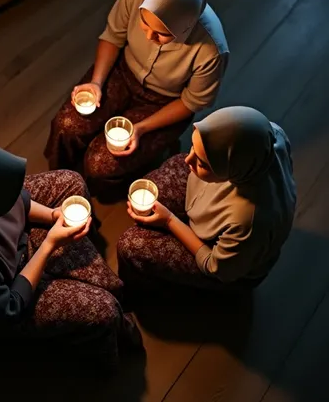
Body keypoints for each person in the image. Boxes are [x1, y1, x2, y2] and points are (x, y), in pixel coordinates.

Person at [0, 143, 140, 371]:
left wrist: (53, 215)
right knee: (103, 309)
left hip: (15, 238)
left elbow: (15, 198)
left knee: (72, 183)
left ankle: (100, 281)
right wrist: (49, 244)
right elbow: (10, 306)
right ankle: (109, 332)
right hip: (12, 291)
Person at [45, 0, 229, 192]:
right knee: (67, 125)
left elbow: (192, 102)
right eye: (145, 23)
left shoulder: (212, 51)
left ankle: (95, 188)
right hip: (123, 72)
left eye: (162, 34)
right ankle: (59, 180)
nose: (149, 37)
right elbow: (113, 36)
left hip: (164, 102)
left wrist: (141, 129)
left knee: (101, 162)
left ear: (185, 29)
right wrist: (96, 83)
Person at [117, 107, 297, 293]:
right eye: (193, 147)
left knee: (132, 245)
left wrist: (169, 221)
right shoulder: (270, 136)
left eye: (202, 162)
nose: (188, 159)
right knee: (154, 185)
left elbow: (215, 266)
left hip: (227, 268)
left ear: (231, 168)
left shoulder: (248, 219)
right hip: (221, 202)